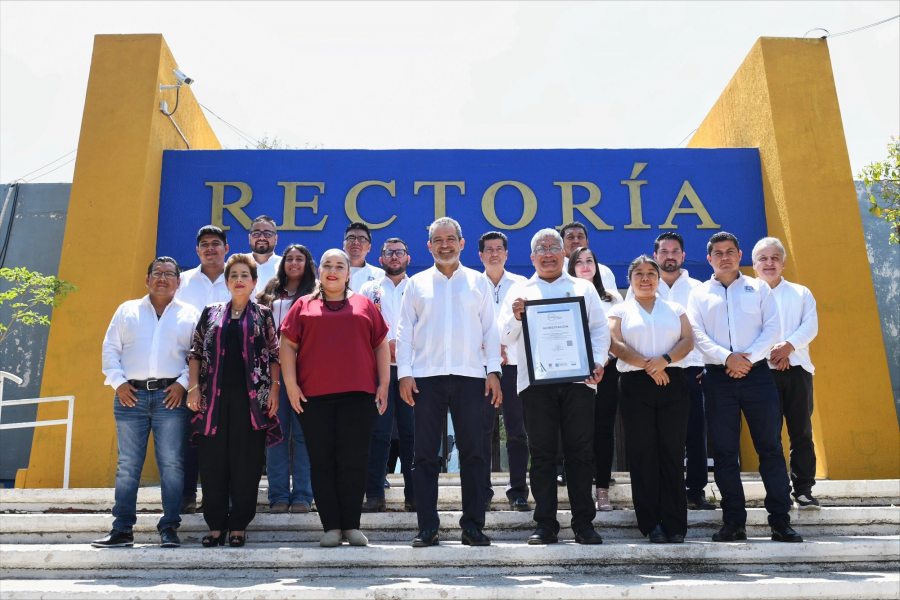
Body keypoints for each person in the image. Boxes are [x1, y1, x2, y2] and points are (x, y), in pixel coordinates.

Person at [687, 232, 802, 543]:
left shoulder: (759, 288)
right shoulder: (698, 295)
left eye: (730, 252)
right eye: (718, 253)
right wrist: (727, 358)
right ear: (709, 259)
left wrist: (746, 360)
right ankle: (733, 522)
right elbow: (696, 334)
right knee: (724, 453)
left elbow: (772, 328)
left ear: (739, 256)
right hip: (717, 378)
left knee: (770, 448)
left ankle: (780, 520)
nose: (725, 257)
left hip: (758, 376)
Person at [397, 217, 502, 548]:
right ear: (429, 246)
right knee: (424, 455)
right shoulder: (416, 284)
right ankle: (427, 527)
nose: (444, 245)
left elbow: (491, 330)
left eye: (450, 239)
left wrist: (493, 371)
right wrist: (404, 373)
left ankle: (472, 526)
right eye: (437, 240)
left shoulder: (478, 282)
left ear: (462, 243)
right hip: (426, 378)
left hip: (471, 376)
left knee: (474, 454)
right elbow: (404, 332)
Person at [499, 228, 609, 546]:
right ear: (532, 257)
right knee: (543, 455)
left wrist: (598, 362)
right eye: (540, 249)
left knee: (580, 453)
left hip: (579, 380)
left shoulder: (582, 288)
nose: (547, 254)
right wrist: (516, 317)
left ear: (563, 254)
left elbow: (600, 330)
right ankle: (545, 523)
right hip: (535, 384)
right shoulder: (520, 292)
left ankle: (584, 524)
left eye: (553, 248)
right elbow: (504, 338)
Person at [280, 249, 390, 547]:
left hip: (358, 396)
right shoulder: (303, 305)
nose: (333, 270)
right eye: (327, 265)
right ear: (319, 272)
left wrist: (384, 384)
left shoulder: (364, 304)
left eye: (339, 266)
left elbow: (380, 345)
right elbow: (287, 346)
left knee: (354, 461)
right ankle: (331, 526)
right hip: (314, 398)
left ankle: (351, 525)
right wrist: (290, 385)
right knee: (322, 461)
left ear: (348, 273)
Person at [94, 257, 199, 548]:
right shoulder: (127, 310)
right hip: (131, 397)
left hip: (171, 398)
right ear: (147, 279)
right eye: (157, 273)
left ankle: (169, 527)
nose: (162, 279)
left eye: (169, 274)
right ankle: (122, 528)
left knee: (172, 464)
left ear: (179, 282)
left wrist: (181, 384)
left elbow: (196, 355)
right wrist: (118, 382)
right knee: (127, 464)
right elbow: (110, 350)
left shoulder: (189, 314)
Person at [186, 253, 281, 548]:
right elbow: (196, 351)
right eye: (234, 276)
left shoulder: (264, 314)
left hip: (252, 402)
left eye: (245, 276)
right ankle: (216, 525)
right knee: (213, 462)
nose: (239, 280)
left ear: (254, 282)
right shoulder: (211, 312)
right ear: (227, 282)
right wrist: (192, 387)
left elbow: (275, 355)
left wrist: (275, 390)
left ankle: (239, 524)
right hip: (213, 400)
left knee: (247, 463)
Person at [609, 255, 695, 543]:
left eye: (650, 273)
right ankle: (651, 524)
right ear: (630, 280)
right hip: (636, 384)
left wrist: (665, 360)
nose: (645, 279)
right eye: (639, 274)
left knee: (671, 453)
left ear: (658, 279)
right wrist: (649, 365)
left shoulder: (675, 308)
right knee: (643, 454)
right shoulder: (621, 310)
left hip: (673, 380)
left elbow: (687, 340)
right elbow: (615, 344)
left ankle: (675, 524)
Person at [628, 232, 715, 510]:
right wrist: (652, 365)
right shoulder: (640, 286)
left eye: (675, 251)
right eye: (664, 251)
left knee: (694, 432)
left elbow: (701, 331)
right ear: (656, 256)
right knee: (658, 439)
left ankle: (696, 490)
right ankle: (660, 494)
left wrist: (705, 361)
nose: (669, 256)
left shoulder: (698, 288)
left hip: (690, 369)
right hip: (646, 372)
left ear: (683, 256)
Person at [752, 236, 820, 509]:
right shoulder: (748, 294)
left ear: (783, 263)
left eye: (774, 258)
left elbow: (810, 326)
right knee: (769, 435)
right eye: (763, 259)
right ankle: (778, 489)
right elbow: (748, 332)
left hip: (798, 370)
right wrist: (773, 353)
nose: (769, 263)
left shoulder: (801, 293)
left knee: (801, 431)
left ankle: (803, 489)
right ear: (755, 264)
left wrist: (788, 347)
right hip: (763, 373)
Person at [175, 225, 231, 513]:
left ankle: (218, 498)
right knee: (190, 438)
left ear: (226, 248)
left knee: (222, 440)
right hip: (189, 374)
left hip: (229, 372)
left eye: (216, 244)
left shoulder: (237, 279)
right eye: (205, 245)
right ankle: (185, 497)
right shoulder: (182, 282)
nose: (210, 249)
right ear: (197, 250)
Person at [257, 244, 317, 514]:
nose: (293, 263)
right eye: (289, 259)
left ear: (307, 263)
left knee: (304, 436)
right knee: (276, 436)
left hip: (307, 373)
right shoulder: (269, 291)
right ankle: (278, 495)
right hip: (274, 375)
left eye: (299, 259)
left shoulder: (316, 292)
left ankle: (303, 495)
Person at [359, 238, 416, 513]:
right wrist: (383, 347)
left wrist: (402, 347)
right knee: (377, 433)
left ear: (408, 258)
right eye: (389, 253)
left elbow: (425, 327)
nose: (394, 257)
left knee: (412, 434)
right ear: (380, 259)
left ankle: (415, 495)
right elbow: (359, 327)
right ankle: (374, 494)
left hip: (412, 370)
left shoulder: (417, 287)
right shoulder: (368, 289)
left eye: (399, 253)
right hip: (377, 371)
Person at [567, 246, 623, 512]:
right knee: (576, 432)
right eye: (580, 262)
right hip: (571, 373)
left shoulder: (612, 299)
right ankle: (578, 491)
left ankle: (602, 489)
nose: (586, 265)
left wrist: (601, 362)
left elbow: (617, 336)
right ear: (572, 267)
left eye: (591, 260)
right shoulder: (563, 294)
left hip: (606, 371)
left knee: (602, 430)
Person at [478, 231, 530, 512]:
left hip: (514, 366)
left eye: (499, 249)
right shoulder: (472, 284)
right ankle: (482, 491)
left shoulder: (522, 284)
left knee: (516, 431)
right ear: (480, 255)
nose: (494, 253)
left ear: (507, 254)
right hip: (483, 369)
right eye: (489, 249)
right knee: (482, 430)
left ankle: (518, 491)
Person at [560, 221, 617, 291]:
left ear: (587, 242)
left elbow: (613, 300)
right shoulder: (558, 271)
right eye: (570, 237)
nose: (576, 241)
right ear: (562, 244)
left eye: (580, 237)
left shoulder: (604, 271)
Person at [344, 221, 385, 291]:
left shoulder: (380, 275)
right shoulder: (332, 271)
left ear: (369, 247)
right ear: (343, 245)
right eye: (351, 238)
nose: (356, 242)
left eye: (362, 238)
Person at [248, 215, 281, 296]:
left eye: (267, 234)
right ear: (249, 238)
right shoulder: (238, 262)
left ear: (276, 238)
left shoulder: (285, 265)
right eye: (256, 234)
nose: (262, 238)